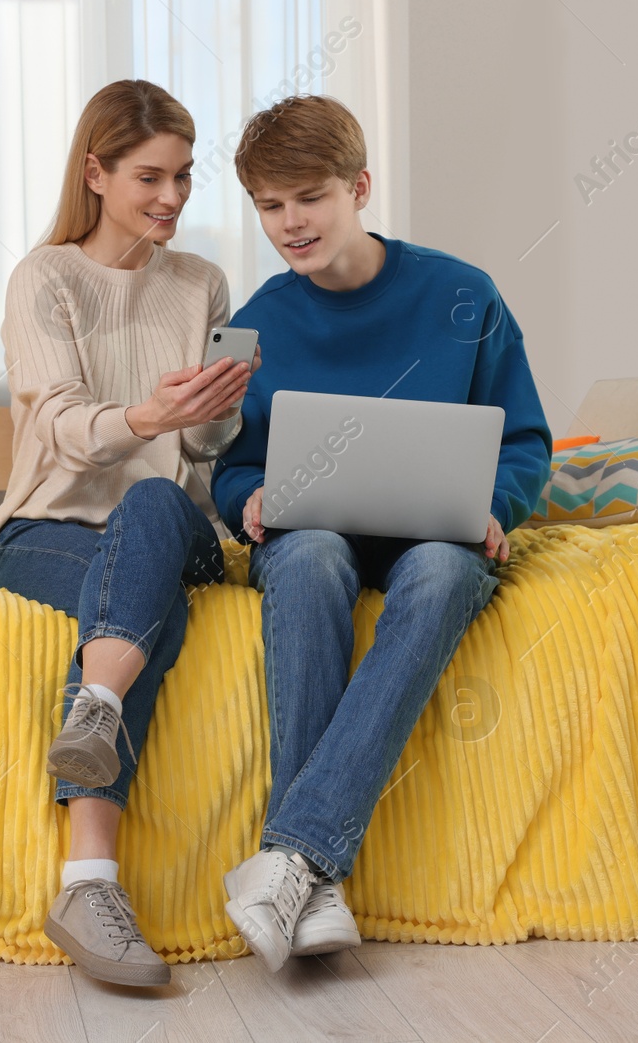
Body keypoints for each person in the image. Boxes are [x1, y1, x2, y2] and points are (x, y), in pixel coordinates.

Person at [210, 95, 552, 971]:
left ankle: (291, 858)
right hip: (313, 532)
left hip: (434, 535)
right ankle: (313, 877)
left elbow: (524, 442)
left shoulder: (462, 293)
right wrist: (248, 499)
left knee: (442, 570)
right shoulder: (262, 318)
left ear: (359, 187)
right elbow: (234, 465)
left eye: (310, 198)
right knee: (312, 552)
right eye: (270, 206)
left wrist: (495, 507)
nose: (291, 223)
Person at [0, 79, 257, 988]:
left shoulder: (203, 282)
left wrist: (216, 417)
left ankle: (90, 718)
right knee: (143, 609)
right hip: (45, 529)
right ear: (95, 172)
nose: (172, 197)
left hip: (168, 521)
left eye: (183, 176)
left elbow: (206, 455)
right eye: (150, 176)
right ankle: (90, 878)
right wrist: (145, 416)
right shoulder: (45, 278)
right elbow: (60, 425)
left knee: (148, 512)